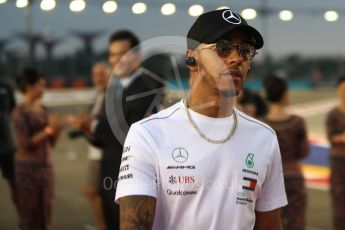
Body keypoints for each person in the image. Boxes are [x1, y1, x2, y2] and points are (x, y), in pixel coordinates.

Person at [115, 9, 287, 230]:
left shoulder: (264, 138)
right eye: (223, 48)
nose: (236, 58)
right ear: (191, 58)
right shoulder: (148, 134)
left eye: (246, 51)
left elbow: (270, 226)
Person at [78, 30, 159, 230]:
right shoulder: (114, 89)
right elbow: (103, 138)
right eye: (113, 54)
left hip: (131, 180)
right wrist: (88, 129)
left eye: (123, 53)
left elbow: (129, 136)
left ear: (137, 56)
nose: (117, 59)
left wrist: (93, 125)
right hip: (109, 174)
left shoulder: (146, 90)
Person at [12, 68, 64, 230]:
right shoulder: (19, 112)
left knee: (46, 214)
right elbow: (25, 144)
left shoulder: (45, 110)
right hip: (27, 170)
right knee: (29, 214)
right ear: (29, 86)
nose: (43, 88)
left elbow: (52, 143)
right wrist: (48, 129)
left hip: (46, 168)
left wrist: (57, 129)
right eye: (40, 85)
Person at [261, 74, 309, 230]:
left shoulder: (260, 125)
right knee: (296, 221)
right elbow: (304, 152)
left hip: (268, 180)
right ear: (285, 94)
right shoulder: (297, 122)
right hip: (293, 176)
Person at [84, 62, 110, 230]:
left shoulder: (112, 96)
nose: (98, 79)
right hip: (95, 151)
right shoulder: (98, 95)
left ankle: (105, 226)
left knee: (94, 192)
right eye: (95, 75)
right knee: (93, 192)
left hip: (104, 153)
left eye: (101, 74)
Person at [326, 75, 345, 230]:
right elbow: (330, 137)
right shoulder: (332, 114)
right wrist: (341, 138)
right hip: (338, 164)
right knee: (339, 204)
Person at [0, 80, 20, 223]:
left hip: (7, 145)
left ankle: (24, 220)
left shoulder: (6, 87)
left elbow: (14, 111)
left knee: (16, 186)